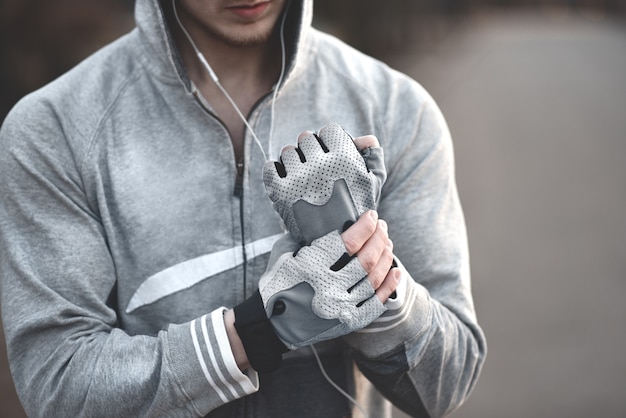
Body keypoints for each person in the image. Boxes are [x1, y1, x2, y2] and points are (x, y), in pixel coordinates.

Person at [0, 0, 486, 417]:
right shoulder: (53, 131)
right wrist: (258, 332)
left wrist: (370, 278)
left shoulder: (397, 108)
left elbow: (442, 387)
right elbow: (58, 388)